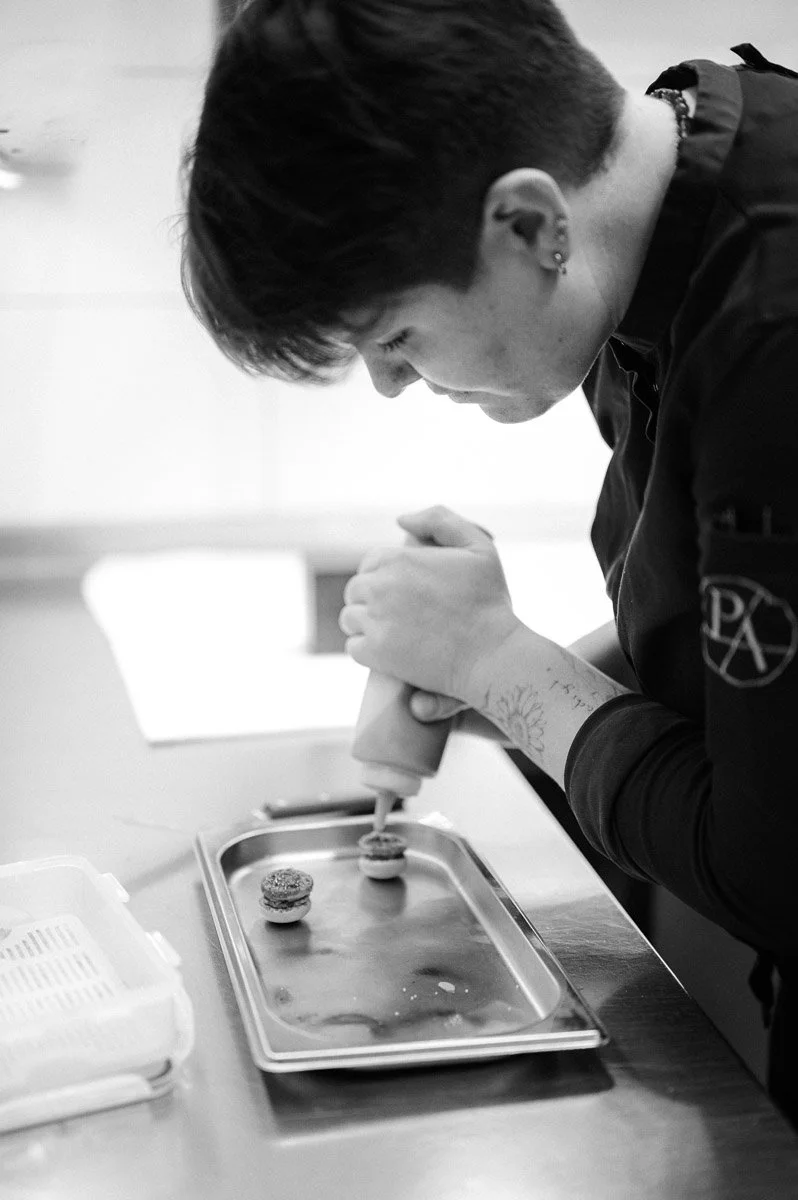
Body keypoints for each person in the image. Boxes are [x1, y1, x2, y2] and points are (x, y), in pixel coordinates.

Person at [180, 0, 798, 1126]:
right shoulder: (671, 198)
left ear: (527, 223)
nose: (391, 385)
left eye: (397, 338)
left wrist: (509, 667)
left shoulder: (776, 326)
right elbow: (751, 655)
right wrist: (504, 686)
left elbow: (775, 869)